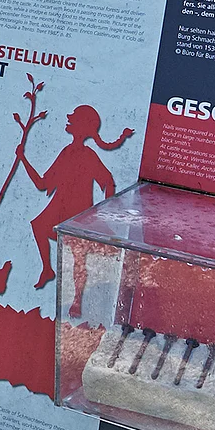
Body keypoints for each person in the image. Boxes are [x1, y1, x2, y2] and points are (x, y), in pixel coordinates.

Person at [15, 104, 135, 307]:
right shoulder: (67, 151)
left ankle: (77, 299)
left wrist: (101, 213)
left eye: (74, 119)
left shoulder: (88, 155)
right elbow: (43, 184)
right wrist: (23, 159)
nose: (68, 120)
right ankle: (47, 269)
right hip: (58, 207)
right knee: (39, 226)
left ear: (82, 126)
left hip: (77, 212)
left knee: (78, 256)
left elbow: (107, 181)